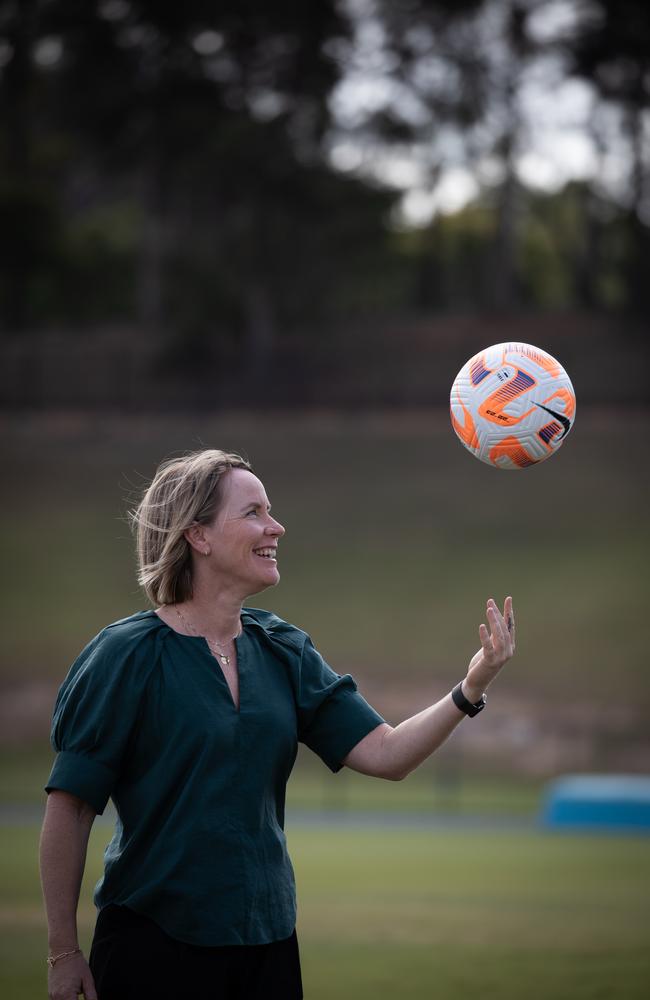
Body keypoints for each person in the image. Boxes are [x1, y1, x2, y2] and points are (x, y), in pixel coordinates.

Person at [39, 448, 515, 1000]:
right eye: (254, 513)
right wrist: (63, 951)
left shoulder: (283, 649)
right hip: (153, 944)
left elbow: (387, 754)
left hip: (268, 942)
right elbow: (69, 807)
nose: (276, 526)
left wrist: (470, 687)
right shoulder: (124, 655)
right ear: (199, 535)